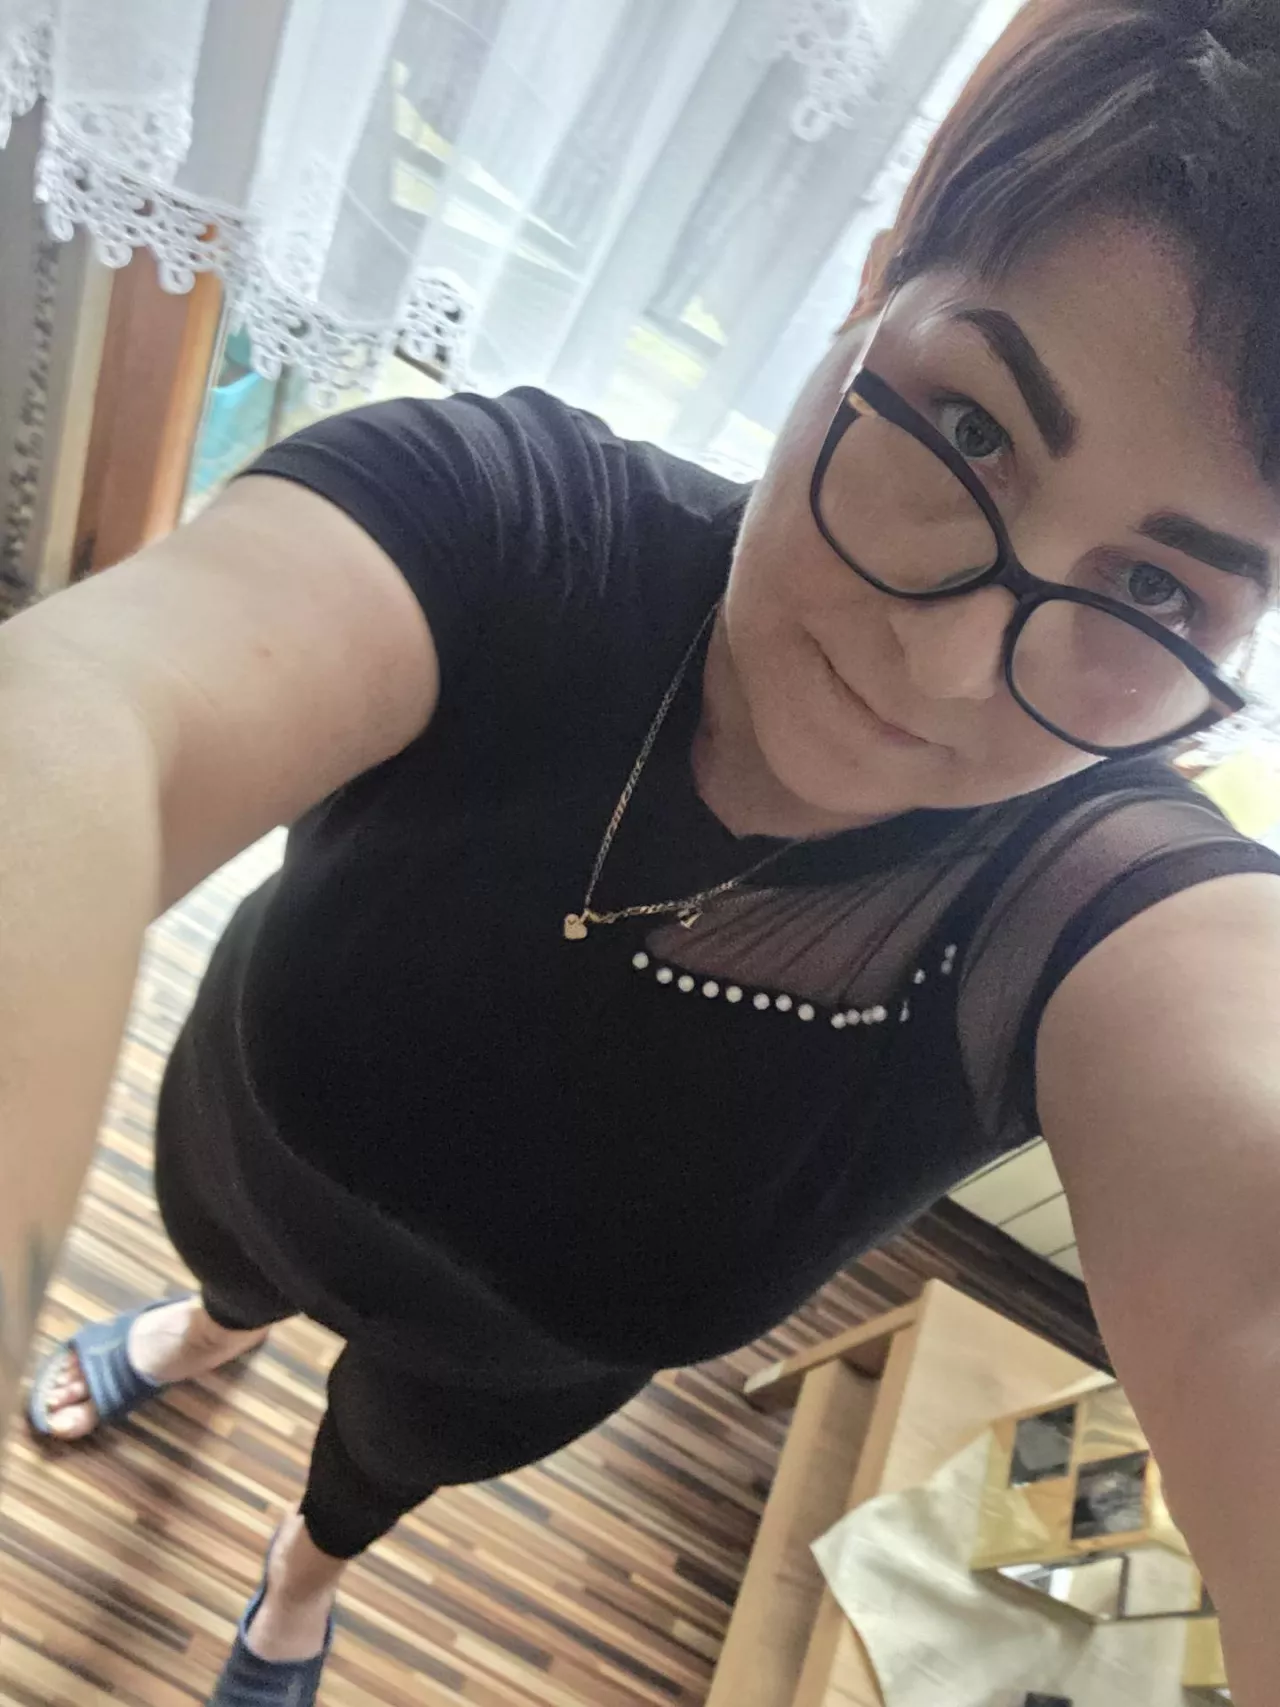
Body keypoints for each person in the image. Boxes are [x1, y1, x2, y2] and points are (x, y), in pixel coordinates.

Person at [6, 0, 1280, 1699]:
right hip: (246, 1155)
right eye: (973, 428)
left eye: (1155, 592)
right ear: (873, 286)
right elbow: (96, 717)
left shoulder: (1093, 911)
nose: (949, 660)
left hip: (501, 1373)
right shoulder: (521, 522)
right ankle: (213, 1325)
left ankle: (302, 1581)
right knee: (232, 1272)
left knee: (377, 1466)